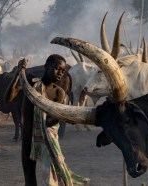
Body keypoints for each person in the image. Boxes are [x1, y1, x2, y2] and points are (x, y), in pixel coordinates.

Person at [6, 54, 90, 185]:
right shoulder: (31, 84)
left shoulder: (59, 93)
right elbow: (8, 98)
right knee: (30, 181)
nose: (60, 73)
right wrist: (18, 74)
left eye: (63, 71)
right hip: (28, 138)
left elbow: (49, 122)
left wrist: (62, 115)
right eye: (57, 68)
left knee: (52, 180)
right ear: (46, 66)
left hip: (47, 140)